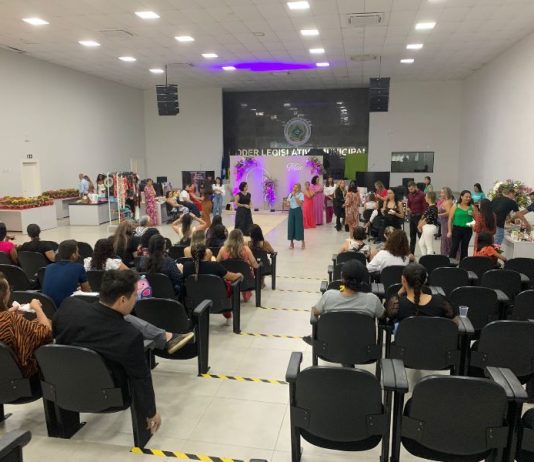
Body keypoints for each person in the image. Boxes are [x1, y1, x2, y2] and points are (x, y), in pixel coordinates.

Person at [53, 270, 162, 437]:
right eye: (135, 295)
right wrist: (151, 412)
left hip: (63, 387)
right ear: (123, 300)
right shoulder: (129, 335)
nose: (136, 299)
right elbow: (141, 378)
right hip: (110, 397)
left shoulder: (69, 307)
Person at [0, 272, 52, 377]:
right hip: (20, 374)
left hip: (3, 371)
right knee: (47, 322)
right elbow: (46, 332)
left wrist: (10, 312)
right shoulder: (10, 320)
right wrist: (37, 308)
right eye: (9, 289)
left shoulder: (7, 318)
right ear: (3, 296)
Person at [183, 244, 243, 324]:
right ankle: (228, 315)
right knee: (228, 284)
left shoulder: (186, 266)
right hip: (218, 302)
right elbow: (232, 277)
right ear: (205, 253)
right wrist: (239, 274)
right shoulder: (215, 266)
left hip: (195, 302)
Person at [310, 260, 384, 319]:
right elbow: (382, 315)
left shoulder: (328, 296)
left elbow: (315, 311)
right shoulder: (372, 300)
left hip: (332, 334)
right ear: (363, 279)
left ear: (342, 277)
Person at [385, 263, 455, 324]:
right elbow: (454, 324)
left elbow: (387, 315)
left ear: (403, 280)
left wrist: (400, 291)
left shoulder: (398, 305)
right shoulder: (441, 301)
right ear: (425, 281)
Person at [42, 240, 91, 307]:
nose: (79, 255)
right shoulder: (79, 267)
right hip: (66, 308)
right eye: (77, 252)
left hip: (48, 308)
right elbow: (87, 292)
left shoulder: (49, 267)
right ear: (73, 255)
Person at [217, 229, 259, 302]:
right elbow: (255, 265)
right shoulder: (246, 249)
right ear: (241, 238)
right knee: (246, 270)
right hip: (245, 279)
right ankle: (245, 294)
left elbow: (217, 264)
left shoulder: (222, 249)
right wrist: (248, 263)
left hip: (228, 279)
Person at [448, 190, 474, 261]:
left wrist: (472, 222)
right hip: (457, 229)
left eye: (469, 197)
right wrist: (449, 231)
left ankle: (463, 264)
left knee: (464, 248)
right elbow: (450, 219)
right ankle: (451, 263)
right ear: (461, 197)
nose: (468, 198)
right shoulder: (455, 206)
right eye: (466, 197)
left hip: (467, 230)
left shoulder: (472, 207)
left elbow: (475, 219)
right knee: (454, 247)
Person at [406, 181, 427, 254]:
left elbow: (425, 208)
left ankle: (425, 254)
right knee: (412, 237)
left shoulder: (422, 194)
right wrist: (408, 208)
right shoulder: (409, 195)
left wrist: (422, 219)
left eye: (411, 189)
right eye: (409, 189)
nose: (410, 191)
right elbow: (408, 205)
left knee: (421, 236)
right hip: (412, 217)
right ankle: (411, 253)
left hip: (419, 217)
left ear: (415, 186)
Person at [417, 191, 439, 256]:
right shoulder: (430, 207)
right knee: (421, 243)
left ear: (429, 198)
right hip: (427, 227)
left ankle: (429, 260)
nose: (425, 198)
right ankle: (424, 258)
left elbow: (428, 219)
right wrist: (420, 224)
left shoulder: (433, 208)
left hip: (430, 227)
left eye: (426, 196)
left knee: (429, 246)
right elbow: (425, 217)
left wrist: (419, 225)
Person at [286, 183, 305, 249]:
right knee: (291, 226)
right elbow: (288, 202)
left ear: (299, 188)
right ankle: (291, 243)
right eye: (294, 187)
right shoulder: (290, 194)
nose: (294, 188)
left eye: (296, 187)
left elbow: (300, 204)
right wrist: (288, 204)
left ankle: (303, 242)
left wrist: (295, 196)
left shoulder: (301, 194)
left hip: (297, 210)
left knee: (299, 226)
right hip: (291, 211)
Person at [438, 187, 454, 257]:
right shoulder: (445, 201)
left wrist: (439, 215)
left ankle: (447, 255)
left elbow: (449, 213)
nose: (440, 194)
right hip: (444, 223)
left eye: (442, 193)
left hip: (447, 223)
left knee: (447, 240)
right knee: (445, 239)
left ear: (446, 193)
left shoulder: (448, 202)